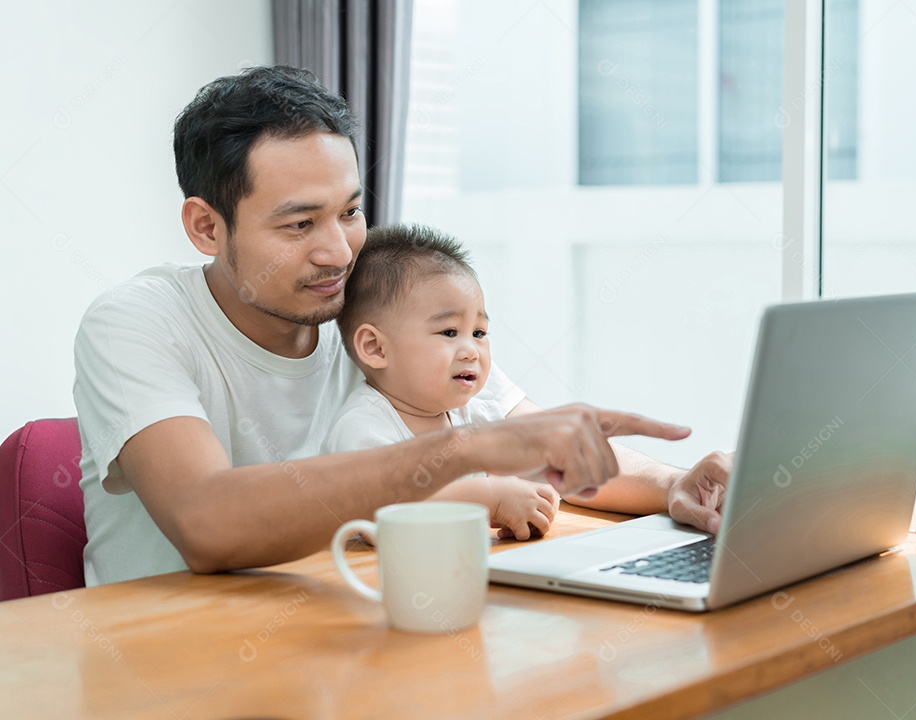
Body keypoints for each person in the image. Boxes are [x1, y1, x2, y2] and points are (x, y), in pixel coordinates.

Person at [73, 65, 731, 587]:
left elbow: (533, 436)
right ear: (206, 227)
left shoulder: (365, 303)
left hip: (335, 641)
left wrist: (672, 486)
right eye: (300, 224)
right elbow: (206, 523)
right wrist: (463, 454)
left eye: (350, 212)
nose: (338, 251)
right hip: (169, 665)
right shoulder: (136, 323)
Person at [323, 223, 559, 541]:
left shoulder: (474, 417)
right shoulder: (364, 427)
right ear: (376, 348)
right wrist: (490, 498)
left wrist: (533, 492)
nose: (472, 351)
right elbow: (379, 511)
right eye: (449, 332)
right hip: (380, 581)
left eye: (479, 333)